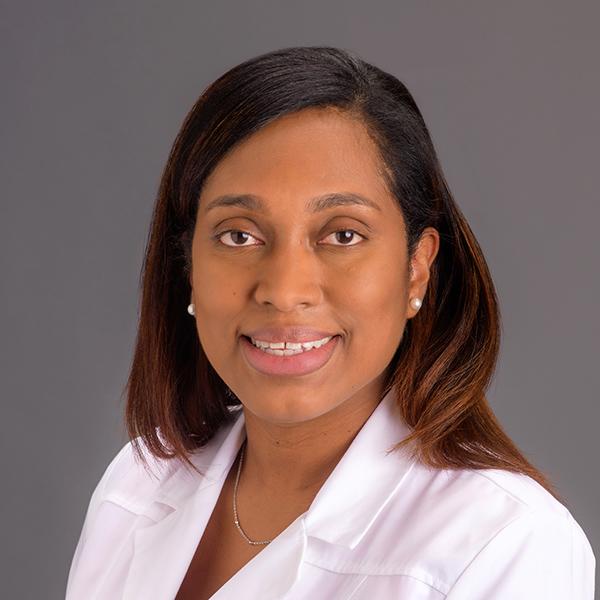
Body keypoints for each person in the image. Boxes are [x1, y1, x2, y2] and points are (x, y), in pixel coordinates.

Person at [65, 46, 595, 599]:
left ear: (416, 269)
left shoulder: (505, 547)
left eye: (343, 234)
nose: (284, 292)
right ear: (188, 266)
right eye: (239, 235)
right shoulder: (137, 484)